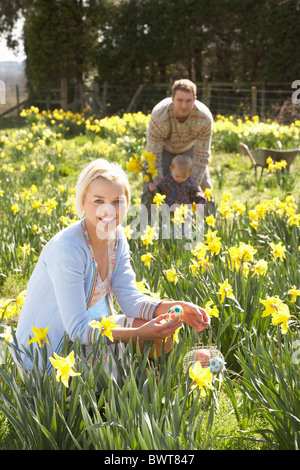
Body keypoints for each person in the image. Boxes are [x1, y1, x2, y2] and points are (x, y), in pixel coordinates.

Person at [14, 158, 210, 378]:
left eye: (117, 201)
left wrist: (177, 307)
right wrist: (137, 333)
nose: (108, 210)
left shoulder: (116, 238)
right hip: (50, 355)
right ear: (82, 203)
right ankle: (126, 387)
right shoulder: (68, 248)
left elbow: (131, 300)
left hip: (87, 333)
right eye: (98, 201)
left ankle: (135, 382)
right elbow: (78, 331)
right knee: (128, 362)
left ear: (127, 203)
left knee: (160, 338)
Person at [143, 78, 215, 214]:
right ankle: (146, 227)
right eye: (180, 100)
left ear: (194, 99)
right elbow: (154, 156)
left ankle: (207, 226)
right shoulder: (159, 116)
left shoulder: (204, 118)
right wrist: (159, 191)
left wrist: (191, 187)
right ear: (172, 99)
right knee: (149, 185)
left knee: (205, 187)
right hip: (163, 149)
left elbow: (202, 156)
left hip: (189, 149)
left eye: (188, 101)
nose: (184, 106)